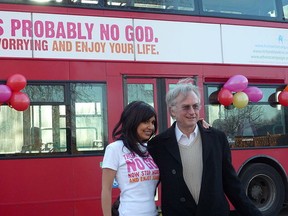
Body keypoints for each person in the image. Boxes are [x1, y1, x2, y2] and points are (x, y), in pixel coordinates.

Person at [148, 78, 263, 216]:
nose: (192, 112)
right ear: (172, 111)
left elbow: (231, 183)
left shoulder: (217, 139)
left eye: (195, 106)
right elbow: (146, 184)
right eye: (186, 107)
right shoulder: (158, 145)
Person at [101, 101, 160, 216]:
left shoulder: (151, 149)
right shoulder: (115, 149)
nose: (151, 127)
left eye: (152, 122)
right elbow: (106, 190)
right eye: (145, 122)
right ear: (133, 121)